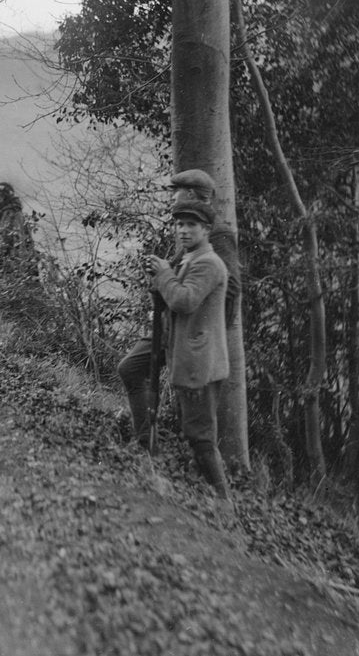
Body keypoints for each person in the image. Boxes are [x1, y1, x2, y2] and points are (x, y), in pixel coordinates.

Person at [117, 169, 241, 448]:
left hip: (195, 330)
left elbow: (230, 288)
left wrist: (201, 323)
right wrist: (161, 272)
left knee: (197, 424)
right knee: (131, 368)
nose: (172, 199)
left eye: (177, 193)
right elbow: (178, 274)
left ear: (192, 196)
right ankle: (145, 439)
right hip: (173, 321)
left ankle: (151, 444)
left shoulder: (217, 235)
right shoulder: (190, 228)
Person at [145, 196, 232, 501]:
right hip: (194, 357)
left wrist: (164, 274)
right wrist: (161, 280)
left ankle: (223, 499)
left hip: (201, 362)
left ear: (206, 229)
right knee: (195, 429)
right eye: (179, 224)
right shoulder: (191, 258)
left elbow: (184, 301)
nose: (183, 230)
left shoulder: (208, 263)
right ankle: (207, 491)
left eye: (191, 225)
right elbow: (172, 298)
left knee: (200, 434)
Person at [0, 181, 38, 266]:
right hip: (17, 261)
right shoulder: (5, 214)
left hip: (14, 261)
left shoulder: (10, 213)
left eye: (0, 196)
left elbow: (6, 238)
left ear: (6, 197)